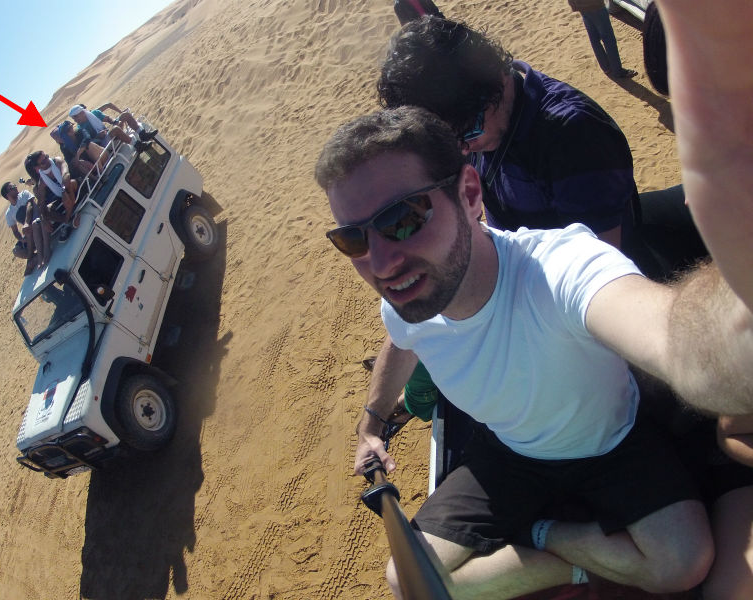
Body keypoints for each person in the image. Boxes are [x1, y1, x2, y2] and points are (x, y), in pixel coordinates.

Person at [315, 7, 753, 588]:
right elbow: (400, 337)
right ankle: (570, 553)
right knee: (408, 581)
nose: (381, 262)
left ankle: (545, 542)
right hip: (513, 456)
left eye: (402, 220)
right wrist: (372, 421)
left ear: (468, 188)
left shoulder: (562, 262)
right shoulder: (406, 292)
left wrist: (733, 331)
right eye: (352, 238)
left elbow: (665, 329)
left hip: (611, 438)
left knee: (684, 563)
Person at [376, 16, 704, 281]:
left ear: (496, 84)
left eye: (469, 132)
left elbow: (598, 274)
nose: (464, 150)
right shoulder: (476, 123)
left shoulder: (572, 137)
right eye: (451, 140)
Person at [567, 0, 637, 78]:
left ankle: (606, 67)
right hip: (595, 5)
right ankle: (617, 71)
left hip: (581, 6)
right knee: (608, 39)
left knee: (594, 38)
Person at [0, 182, 51, 272]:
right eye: (12, 187)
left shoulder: (24, 194)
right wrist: (22, 239)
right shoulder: (9, 213)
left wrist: (27, 223)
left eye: (14, 185)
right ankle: (34, 257)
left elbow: (30, 205)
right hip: (29, 233)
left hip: (39, 221)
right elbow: (15, 231)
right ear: (8, 195)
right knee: (16, 250)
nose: (16, 186)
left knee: (34, 225)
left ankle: (41, 255)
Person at [24, 150, 79, 231]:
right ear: (37, 168)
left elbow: (66, 174)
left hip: (73, 185)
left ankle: (68, 217)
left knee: (68, 185)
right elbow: (41, 203)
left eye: (46, 157)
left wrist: (63, 188)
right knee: (46, 210)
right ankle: (66, 219)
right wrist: (43, 219)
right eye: (43, 162)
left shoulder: (57, 161)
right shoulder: (42, 182)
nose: (47, 160)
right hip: (61, 196)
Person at [68, 104, 152, 153]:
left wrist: (115, 122)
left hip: (109, 135)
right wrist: (98, 136)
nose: (75, 120)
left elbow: (108, 119)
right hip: (103, 145)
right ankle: (138, 145)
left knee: (125, 115)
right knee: (115, 129)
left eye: (76, 117)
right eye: (73, 118)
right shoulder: (80, 129)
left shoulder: (94, 114)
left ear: (82, 113)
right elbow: (89, 143)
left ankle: (142, 134)